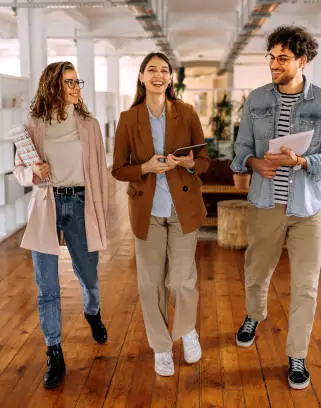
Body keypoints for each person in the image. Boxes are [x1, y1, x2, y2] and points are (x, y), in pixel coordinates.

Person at [231, 25, 321, 390]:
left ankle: (297, 355)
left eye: (283, 58)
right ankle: (254, 315)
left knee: (306, 286)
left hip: (308, 208)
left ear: (302, 61)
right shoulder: (257, 100)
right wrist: (252, 164)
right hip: (265, 203)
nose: (274, 65)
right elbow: (241, 149)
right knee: (256, 271)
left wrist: (302, 162)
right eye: (271, 57)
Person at [112, 52, 210, 377]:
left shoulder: (187, 112)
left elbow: (205, 160)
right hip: (148, 212)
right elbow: (118, 169)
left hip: (183, 210)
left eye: (164, 70)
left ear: (171, 78)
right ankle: (162, 347)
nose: (158, 75)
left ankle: (187, 331)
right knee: (150, 283)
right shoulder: (128, 118)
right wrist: (145, 167)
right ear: (141, 77)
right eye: (151, 70)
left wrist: (187, 163)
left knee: (182, 280)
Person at [13, 61, 109, 389]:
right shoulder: (34, 123)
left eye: (77, 81)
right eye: (69, 82)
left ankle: (92, 312)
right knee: (47, 288)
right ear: (52, 85)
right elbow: (19, 169)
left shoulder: (89, 125)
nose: (76, 86)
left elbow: (98, 170)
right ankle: (54, 352)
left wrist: (102, 210)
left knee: (89, 276)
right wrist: (33, 173)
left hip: (81, 203)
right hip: (47, 204)